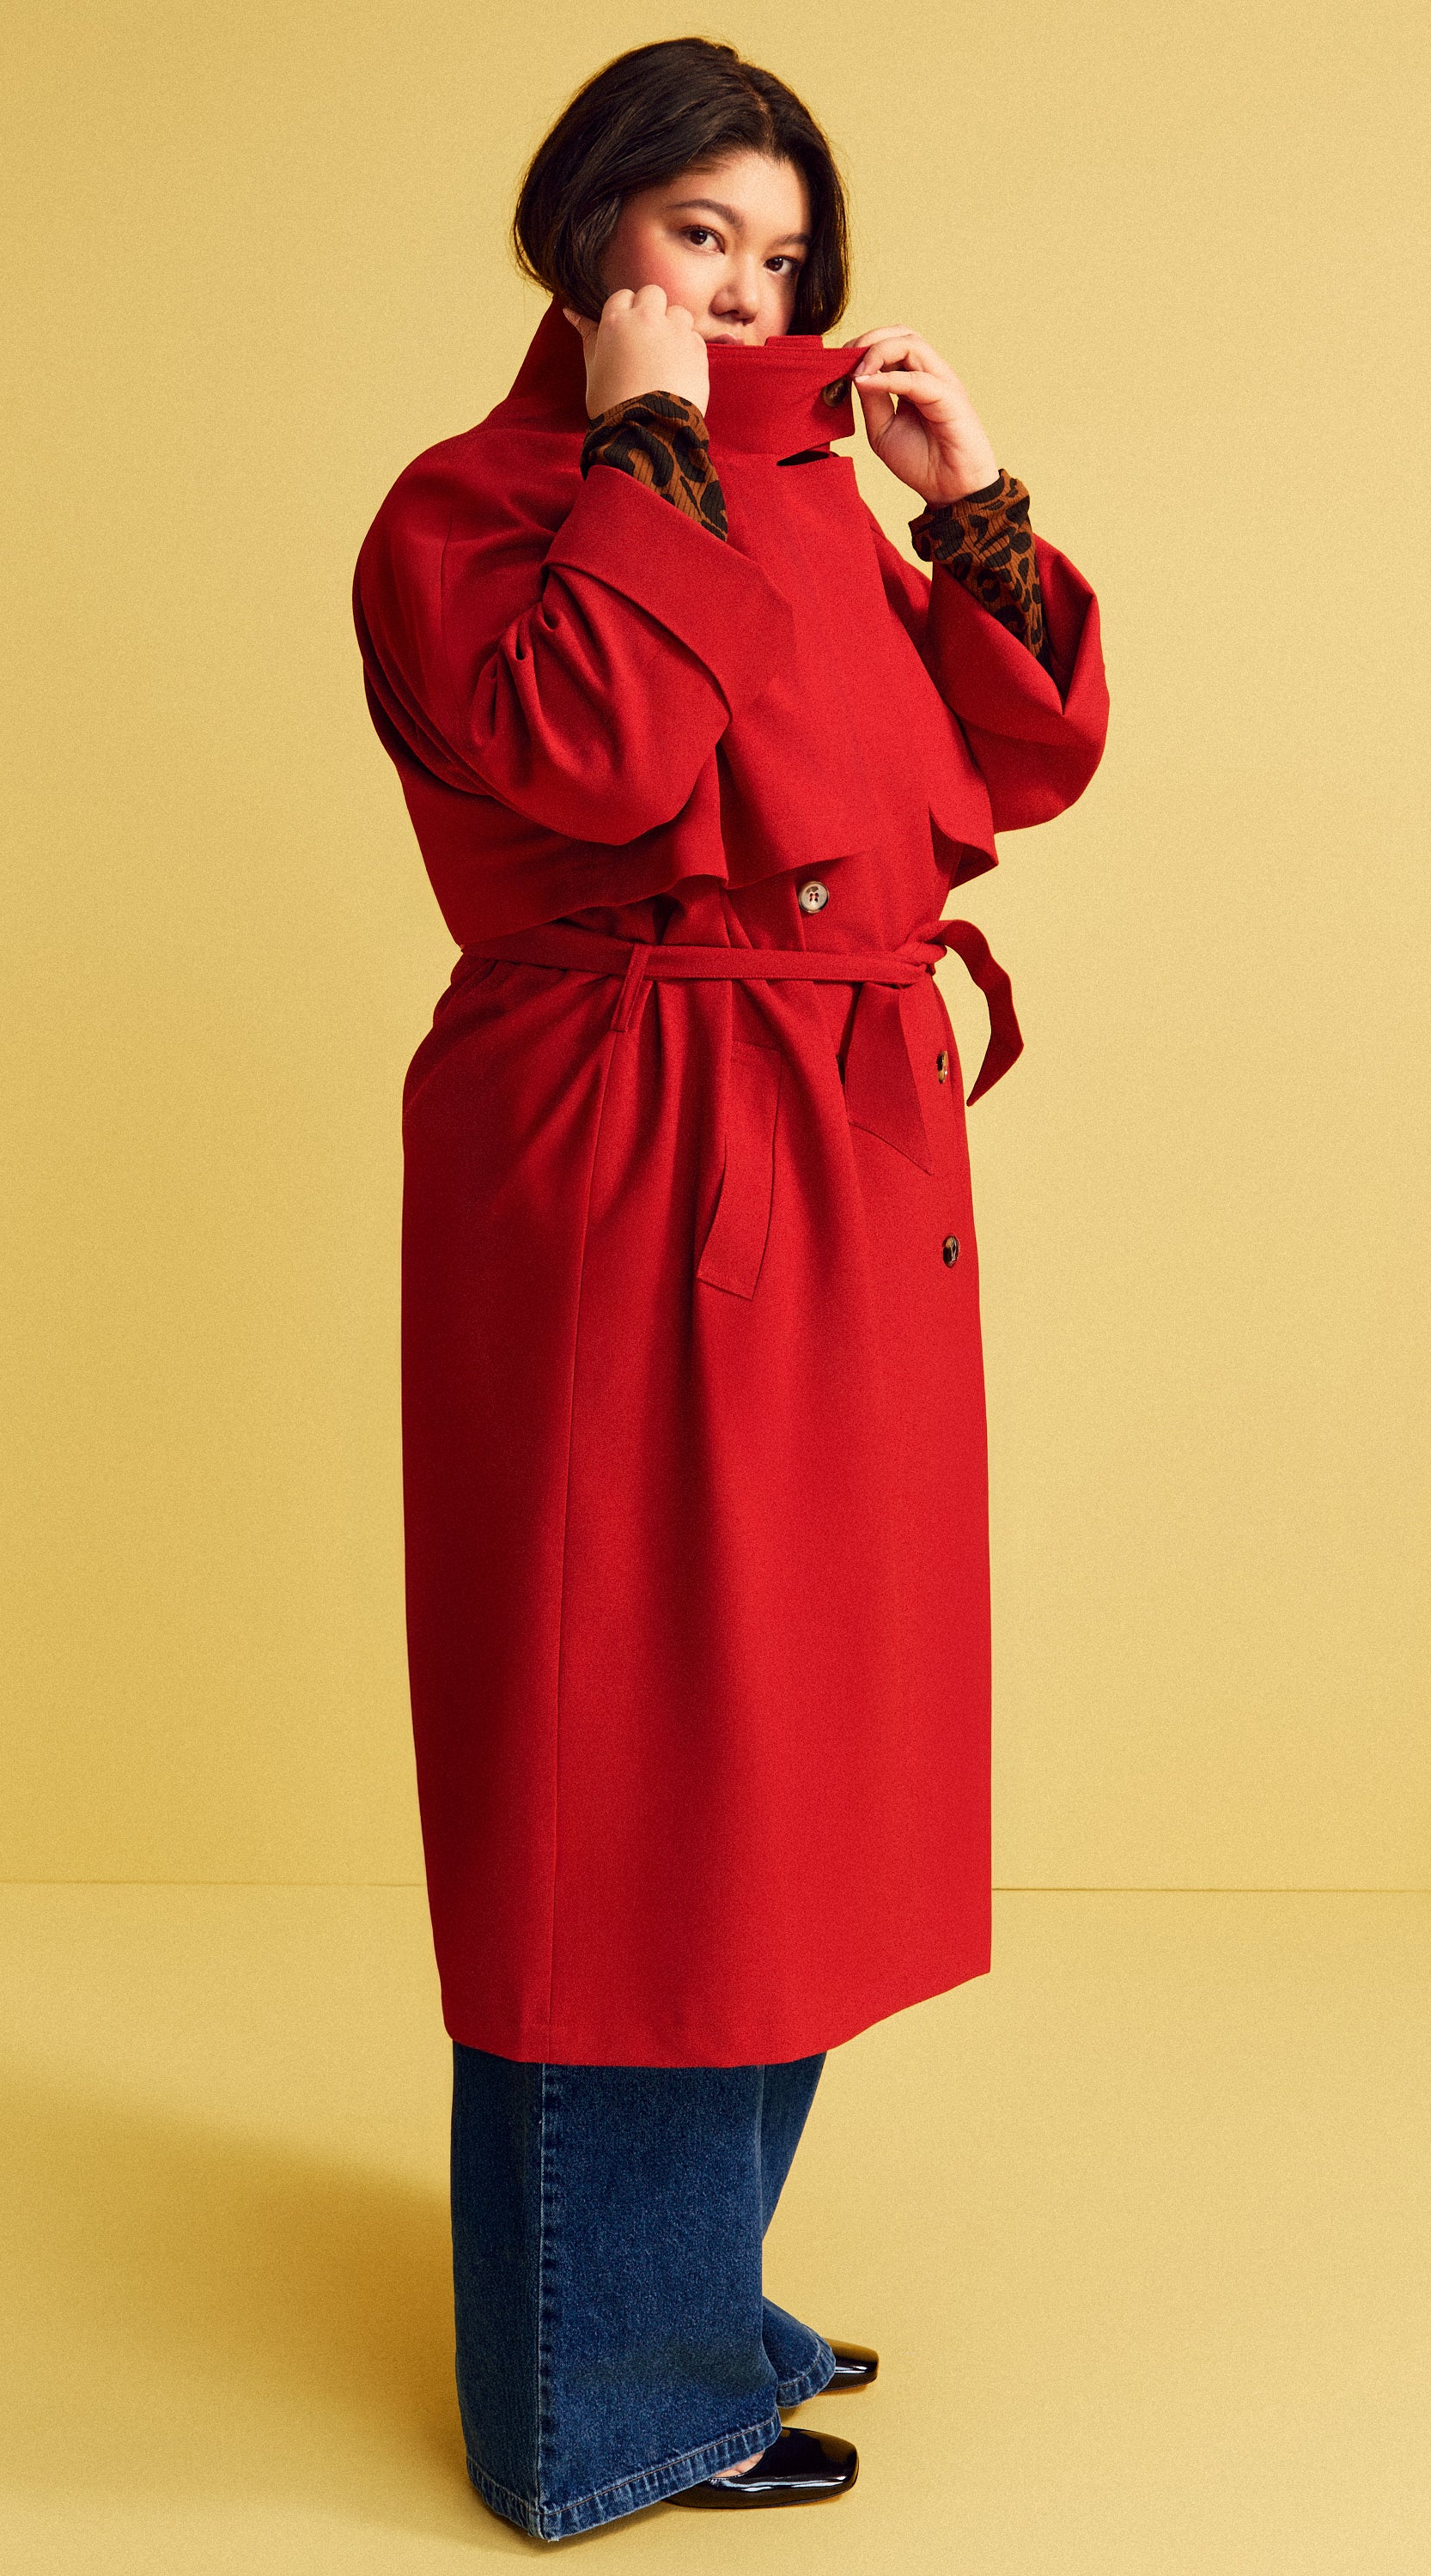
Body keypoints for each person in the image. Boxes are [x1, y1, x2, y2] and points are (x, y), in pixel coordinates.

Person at [352, 35, 1109, 2544]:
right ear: (588, 234)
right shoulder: (474, 510)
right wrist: (649, 444)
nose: (747, 292)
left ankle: (687, 2300)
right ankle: (603, 2404)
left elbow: (1016, 764)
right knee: (638, 1773)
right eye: (701, 237)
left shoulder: (801, 497)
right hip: (627, 1156)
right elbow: (589, 757)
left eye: (785, 257)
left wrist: (967, 504)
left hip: (839, 1142)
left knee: (790, 1764)